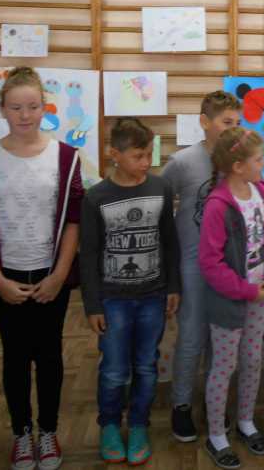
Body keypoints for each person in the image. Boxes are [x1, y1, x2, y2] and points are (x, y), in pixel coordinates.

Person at [0, 66, 83, 470]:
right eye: (16, 107)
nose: (25, 115)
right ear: (2, 109)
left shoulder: (66, 157)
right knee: (15, 357)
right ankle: (21, 433)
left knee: (49, 356)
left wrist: (60, 275)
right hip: (6, 276)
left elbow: (74, 220)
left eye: (32, 106)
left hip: (50, 275)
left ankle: (48, 431)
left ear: (43, 107)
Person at [81, 117, 181, 465]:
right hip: (113, 300)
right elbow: (88, 254)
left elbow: (170, 242)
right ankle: (109, 424)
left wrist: (173, 286)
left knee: (146, 366)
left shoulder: (161, 188)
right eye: (138, 156)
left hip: (153, 296)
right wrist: (93, 305)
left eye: (149, 154)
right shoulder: (96, 197)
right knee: (113, 369)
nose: (146, 162)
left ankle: (139, 423)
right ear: (114, 154)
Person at [198, 127, 264, 469]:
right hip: (229, 302)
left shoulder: (261, 195)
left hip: (259, 298)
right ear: (237, 166)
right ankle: (216, 435)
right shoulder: (218, 206)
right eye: (259, 159)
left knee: (252, 360)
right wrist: (249, 290)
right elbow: (210, 264)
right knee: (224, 367)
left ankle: (246, 421)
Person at [161, 90, 241, 442]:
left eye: (237, 122)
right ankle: (181, 404)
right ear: (205, 122)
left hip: (228, 266)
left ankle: (214, 400)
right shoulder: (183, 162)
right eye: (226, 122)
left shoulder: (239, 160)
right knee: (192, 337)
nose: (233, 128)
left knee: (220, 340)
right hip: (192, 266)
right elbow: (159, 203)